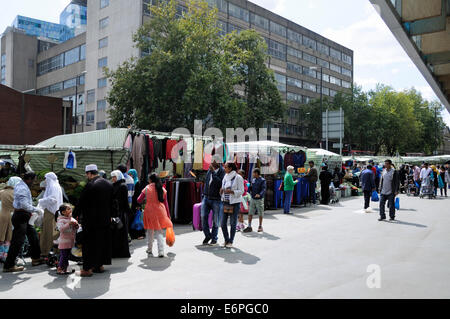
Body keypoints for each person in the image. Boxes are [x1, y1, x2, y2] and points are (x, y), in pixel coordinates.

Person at [73, 164, 113, 277]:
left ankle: (87, 269)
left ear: (89, 173)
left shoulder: (90, 185)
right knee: (101, 242)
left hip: (91, 221)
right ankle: (99, 265)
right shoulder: (108, 184)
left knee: (89, 244)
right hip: (105, 219)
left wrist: (74, 215)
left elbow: (81, 202)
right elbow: (113, 202)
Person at [3, 172, 45, 272]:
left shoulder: (22, 185)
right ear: (29, 179)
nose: (34, 182)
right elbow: (24, 205)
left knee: (33, 235)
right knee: (17, 241)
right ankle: (9, 265)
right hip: (21, 216)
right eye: (34, 180)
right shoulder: (22, 188)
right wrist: (36, 209)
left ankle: (36, 257)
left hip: (23, 216)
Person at [137, 173, 173, 257]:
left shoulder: (146, 188)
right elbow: (166, 203)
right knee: (159, 231)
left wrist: (146, 199)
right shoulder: (162, 189)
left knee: (150, 231)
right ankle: (161, 251)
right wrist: (168, 215)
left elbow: (139, 200)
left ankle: (149, 249)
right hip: (161, 211)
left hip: (149, 211)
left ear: (150, 180)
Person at [38, 172, 63, 257]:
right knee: (53, 232)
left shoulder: (53, 187)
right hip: (53, 212)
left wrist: (41, 201)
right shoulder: (55, 186)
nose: (45, 180)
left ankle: (46, 251)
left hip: (51, 212)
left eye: (46, 178)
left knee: (48, 232)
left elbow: (53, 199)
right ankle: (53, 252)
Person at [220, 162, 244, 248]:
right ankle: (226, 239)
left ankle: (231, 241)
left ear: (230, 168)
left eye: (226, 167)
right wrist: (221, 191)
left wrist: (232, 192)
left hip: (234, 203)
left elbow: (241, 191)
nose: (224, 168)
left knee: (233, 223)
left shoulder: (238, 178)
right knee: (222, 223)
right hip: (224, 202)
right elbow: (223, 188)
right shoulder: (225, 177)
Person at [201, 161, 225, 246]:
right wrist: (203, 194)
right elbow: (207, 182)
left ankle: (214, 238)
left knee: (215, 220)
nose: (211, 162)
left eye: (214, 161)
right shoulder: (209, 170)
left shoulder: (222, 171)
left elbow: (219, 183)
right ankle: (207, 235)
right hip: (206, 197)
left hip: (216, 199)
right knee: (203, 217)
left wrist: (213, 173)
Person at [110, 170, 131, 258]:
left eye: (114, 177)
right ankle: (115, 252)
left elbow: (125, 201)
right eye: (112, 177)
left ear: (118, 176)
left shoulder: (123, 186)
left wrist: (128, 211)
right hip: (115, 213)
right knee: (115, 233)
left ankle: (122, 253)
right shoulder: (113, 186)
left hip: (121, 213)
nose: (113, 179)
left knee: (121, 232)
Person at [0, 177, 21, 262]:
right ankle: (5, 255)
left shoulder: (1, 192)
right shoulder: (17, 193)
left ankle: (1, 254)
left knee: (1, 236)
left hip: (1, 214)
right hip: (12, 216)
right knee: (8, 237)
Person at [55, 204, 78, 275]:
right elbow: (61, 229)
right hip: (64, 241)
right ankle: (60, 268)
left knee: (67, 256)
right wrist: (69, 224)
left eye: (70, 208)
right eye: (68, 209)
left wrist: (76, 226)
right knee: (64, 256)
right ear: (63, 212)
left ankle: (65, 268)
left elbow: (75, 229)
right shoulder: (61, 220)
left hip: (70, 241)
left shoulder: (71, 219)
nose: (70, 210)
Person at [244, 168, 266, 233]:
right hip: (253, 198)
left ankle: (260, 226)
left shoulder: (262, 180)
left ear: (256, 173)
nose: (252, 174)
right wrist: (248, 187)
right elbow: (251, 188)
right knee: (250, 213)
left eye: (253, 173)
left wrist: (260, 194)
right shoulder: (253, 180)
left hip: (259, 199)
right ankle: (249, 226)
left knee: (260, 213)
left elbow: (264, 189)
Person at [130, 170, 147, 240]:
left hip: (136, 203)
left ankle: (141, 234)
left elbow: (138, 195)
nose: (130, 175)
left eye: (130, 174)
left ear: (134, 174)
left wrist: (138, 205)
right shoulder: (132, 182)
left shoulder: (137, 183)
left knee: (138, 220)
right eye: (129, 174)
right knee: (134, 219)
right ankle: (134, 235)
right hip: (133, 203)